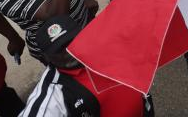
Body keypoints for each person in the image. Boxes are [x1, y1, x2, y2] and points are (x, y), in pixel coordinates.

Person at [19, 14, 152, 117]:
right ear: (46, 57)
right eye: (59, 49)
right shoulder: (55, 93)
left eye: (71, 42)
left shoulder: (108, 44)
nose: (68, 52)